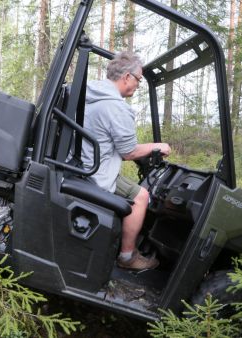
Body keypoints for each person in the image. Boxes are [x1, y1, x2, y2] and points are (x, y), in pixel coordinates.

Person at [81, 51, 171, 271]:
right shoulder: (116, 107)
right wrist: (157, 147)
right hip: (95, 174)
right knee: (141, 196)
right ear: (127, 77)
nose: (139, 85)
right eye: (139, 79)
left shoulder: (91, 94)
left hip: (83, 164)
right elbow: (129, 152)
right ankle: (127, 256)